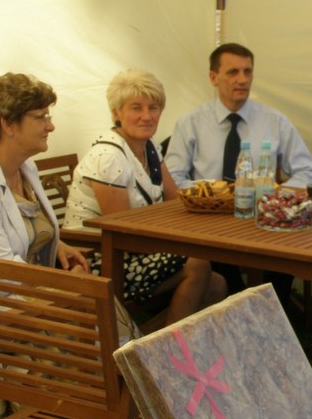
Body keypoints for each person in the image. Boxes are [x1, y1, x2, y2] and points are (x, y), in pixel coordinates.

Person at [0, 73, 134, 346]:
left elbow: (19, 226)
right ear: (7, 124)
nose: (50, 126)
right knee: (94, 299)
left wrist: (55, 243)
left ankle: (136, 362)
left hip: (32, 298)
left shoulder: (25, 167)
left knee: (99, 300)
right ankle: (131, 365)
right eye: (41, 117)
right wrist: (65, 283)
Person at [63, 69, 226, 327]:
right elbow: (122, 233)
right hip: (96, 260)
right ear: (116, 113)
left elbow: (175, 204)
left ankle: (149, 342)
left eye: (154, 107)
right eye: (136, 108)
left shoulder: (148, 147)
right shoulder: (109, 156)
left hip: (131, 252)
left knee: (217, 285)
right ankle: (163, 347)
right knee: (197, 265)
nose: (147, 116)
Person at [165, 43, 312, 302]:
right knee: (221, 262)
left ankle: (273, 310)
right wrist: (211, 195)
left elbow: (309, 172)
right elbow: (172, 178)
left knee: (285, 256)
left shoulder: (273, 121)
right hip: (208, 222)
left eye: (247, 72)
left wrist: (276, 195)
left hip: (261, 218)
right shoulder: (191, 123)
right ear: (213, 78)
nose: (242, 79)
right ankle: (240, 305)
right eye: (233, 72)